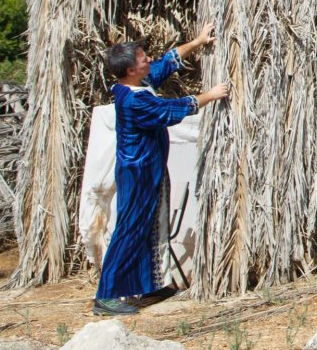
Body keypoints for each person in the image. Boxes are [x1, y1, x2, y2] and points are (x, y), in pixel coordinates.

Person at [93, 22, 230, 316]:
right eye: (143, 58)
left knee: (148, 227)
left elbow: (168, 62)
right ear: (130, 69)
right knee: (129, 229)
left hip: (149, 168)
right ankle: (106, 295)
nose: (148, 60)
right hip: (137, 171)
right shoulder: (133, 101)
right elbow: (170, 111)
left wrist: (198, 41)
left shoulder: (138, 85)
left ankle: (144, 286)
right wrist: (212, 94)